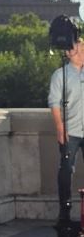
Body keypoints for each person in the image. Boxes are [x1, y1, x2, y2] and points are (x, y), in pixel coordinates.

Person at [49, 38, 84, 222]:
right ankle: (65, 213)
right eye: (80, 50)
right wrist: (60, 127)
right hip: (71, 132)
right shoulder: (60, 75)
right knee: (66, 171)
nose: (83, 53)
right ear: (69, 53)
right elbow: (54, 103)